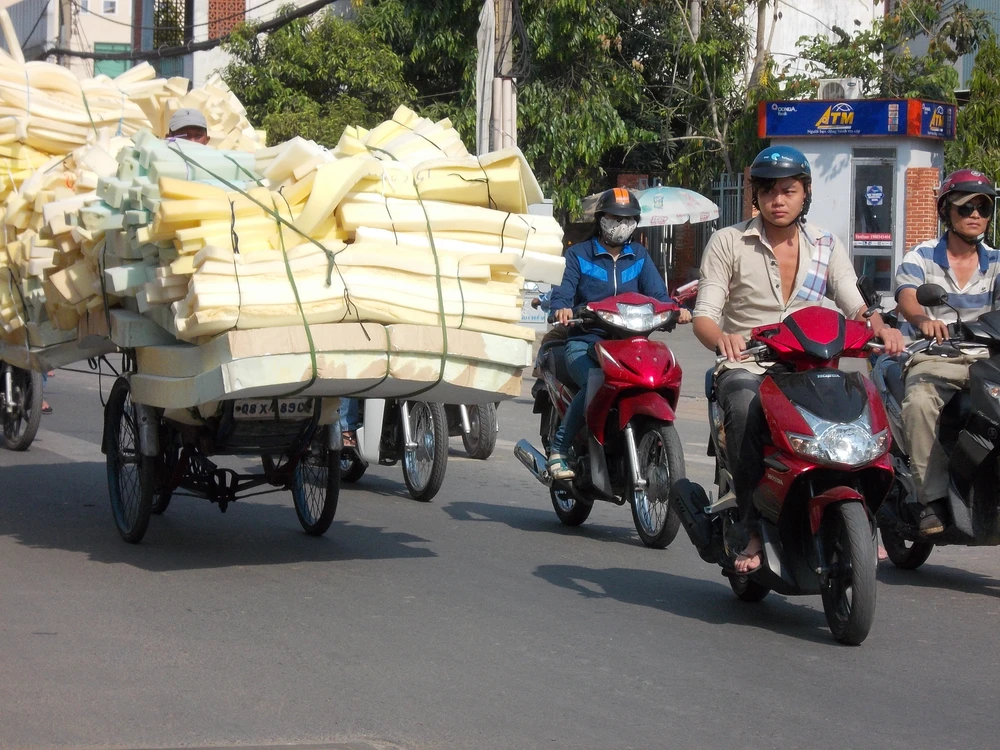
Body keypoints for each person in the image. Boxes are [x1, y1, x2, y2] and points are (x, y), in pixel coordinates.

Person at [692, 145, 904, 574]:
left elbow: (855, 305)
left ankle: (872, 515)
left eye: (788, 190)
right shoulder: (728, 242)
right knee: (743, 405)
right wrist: (724, 340)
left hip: (811, 366)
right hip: (750, 364)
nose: (778, 200)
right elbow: (704, 317)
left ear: (805, 193)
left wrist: (880, 327)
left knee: (868, 406)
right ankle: (751, 524)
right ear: (756, 196)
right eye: (768, 191)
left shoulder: (826, 244)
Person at [546, 187, 692, 480]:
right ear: (601, 219)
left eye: (627, 219)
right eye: (614, 218)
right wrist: (562, 309)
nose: (620, 225)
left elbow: (658, 296)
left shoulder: (638, 256)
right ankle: (559, 449)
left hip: (630, 346)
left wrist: (676, 309)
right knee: (595, 381)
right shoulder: (578, 255)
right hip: (585, 342)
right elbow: (561, 294)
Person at [894, 169, 1000, 534]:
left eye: (983, 208)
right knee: (920, 403)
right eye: (966, 206)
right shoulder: (921, 256)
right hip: (936, 354)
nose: (975, 214)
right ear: (946, 212)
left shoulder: (998, 262)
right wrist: (922, 319)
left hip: (988, 359)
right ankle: (932, 498)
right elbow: (907, 295)